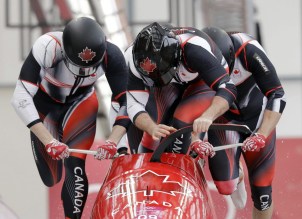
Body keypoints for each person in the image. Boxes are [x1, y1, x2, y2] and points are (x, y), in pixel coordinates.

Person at [11, 17, 130, 219]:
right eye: (77, 67)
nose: (84, 72)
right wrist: (48, 141)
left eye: (90, 68)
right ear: (64, 53)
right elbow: (20, 96)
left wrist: (113, 140)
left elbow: (128, 104)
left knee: (75, 166)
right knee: (52, 177)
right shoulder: (48, 46)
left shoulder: (112, 55)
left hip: (81, 102)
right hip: (46, 105)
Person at [200, 27, 286, 219]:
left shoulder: (248, 50)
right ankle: (236, 173)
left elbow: (278, 94)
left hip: (258, 121)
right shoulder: (196, 56)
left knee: (263, 195)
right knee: (225, 185)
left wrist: (262, 134)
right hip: (225, 121)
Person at [124, 22, 237, 155]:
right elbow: (134, 104)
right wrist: (151, 127)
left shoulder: (194, 50)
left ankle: (183, 159)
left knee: (182, 120)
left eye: (160, 73)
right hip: (167, 83)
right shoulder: (131, 59)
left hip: (202, 81)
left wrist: (208, 115)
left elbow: (228, 87)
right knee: (154, 128)